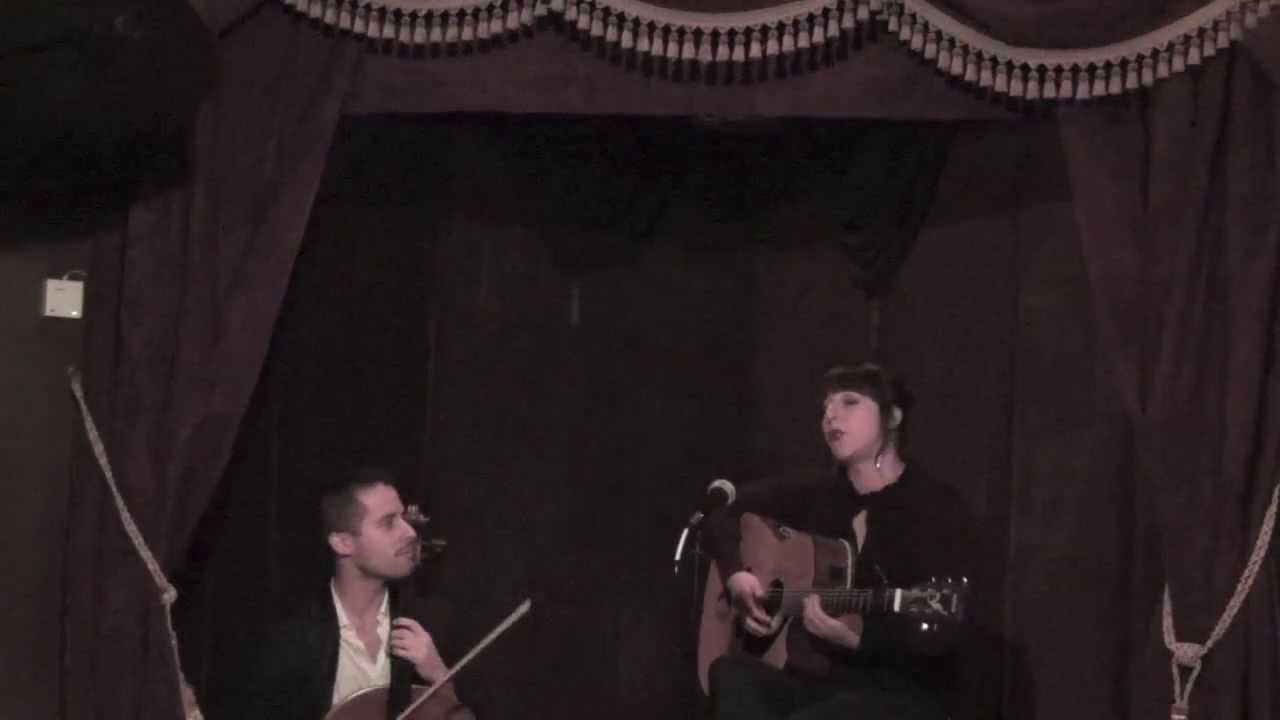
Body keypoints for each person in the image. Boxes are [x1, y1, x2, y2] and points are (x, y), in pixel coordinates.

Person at [702, 362, 976, 720]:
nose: (830, 415)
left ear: (892, 417)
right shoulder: (819, 492)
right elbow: (721, 515)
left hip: (897, 694)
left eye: (849, 402)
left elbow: (943, 635)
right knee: (730, 673)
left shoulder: (934, 505)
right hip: (822, 685)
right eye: (825, 408)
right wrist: (738, 577)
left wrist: (858, 639)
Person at [242, 467, 473, 720]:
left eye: (403, 518)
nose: (409, 532)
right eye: (388, 523)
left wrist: (439, 674)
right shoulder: (292, 634)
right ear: (342, 543)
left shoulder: (432, 620)